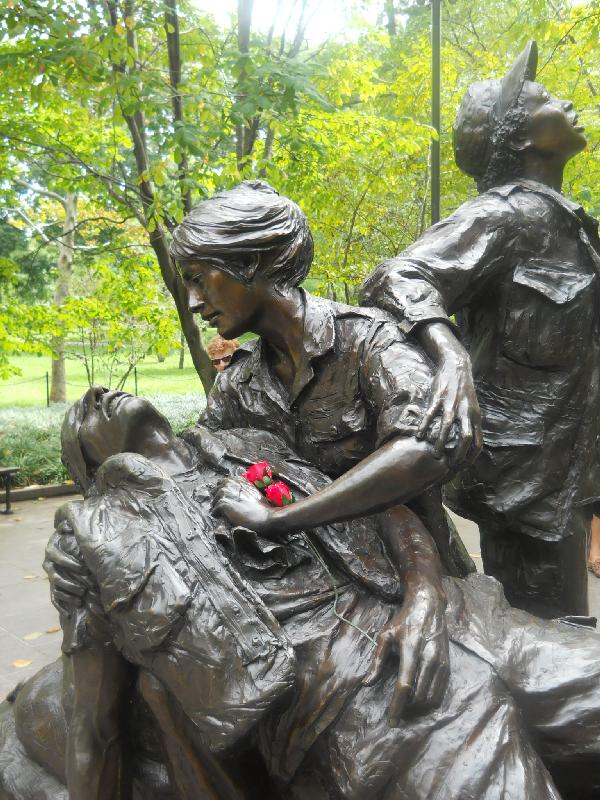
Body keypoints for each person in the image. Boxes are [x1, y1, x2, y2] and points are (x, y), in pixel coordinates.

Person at [11, 181, 600, 800]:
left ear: (252, 264)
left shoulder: (365, 339)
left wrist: (298, 528)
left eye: (201, 278)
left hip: (433, 593)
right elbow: (208, 482)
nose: (193, 302)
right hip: (358, 659)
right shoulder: (237, 396)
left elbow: (424, 453)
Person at [361, 40, 600, 618]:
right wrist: (449, 353)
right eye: (546, 98)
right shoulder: (503, 215)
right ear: (518, 136)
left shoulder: (566, 221)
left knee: (563, 638)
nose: (566, 101)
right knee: (543, 645)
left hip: (568, 470)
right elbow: (395, 277)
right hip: (525, 483)